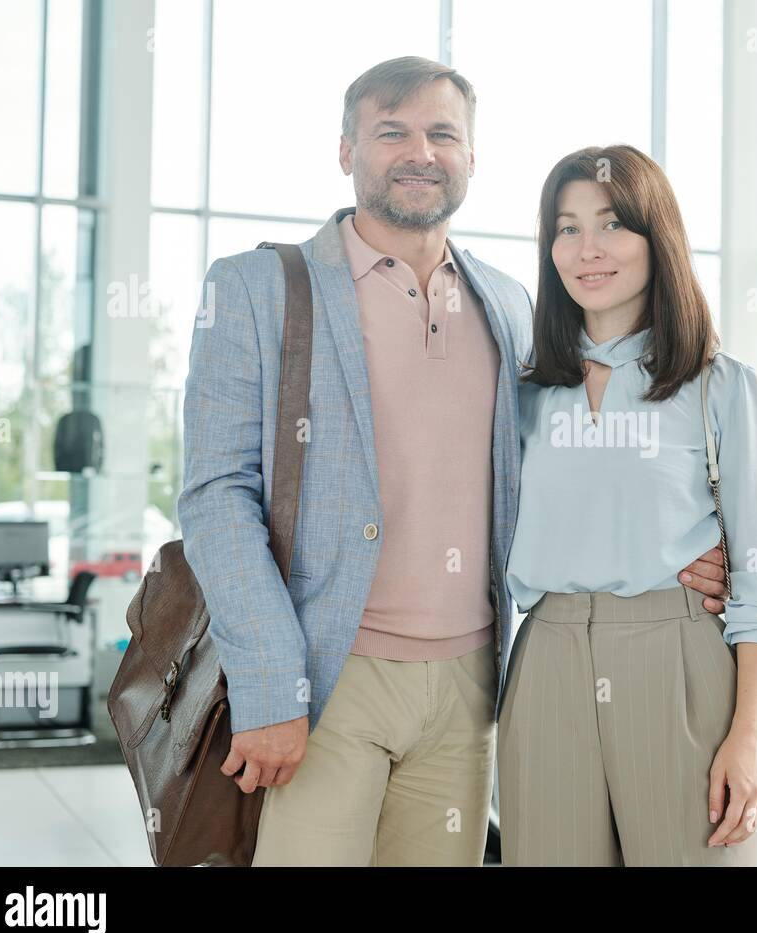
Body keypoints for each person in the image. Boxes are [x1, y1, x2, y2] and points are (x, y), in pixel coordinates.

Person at [176, 57, 728, 867]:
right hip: (328, 679)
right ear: (345, 151)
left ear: (471, 157)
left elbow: (568, 465)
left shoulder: (511, 305)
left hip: (473, 688)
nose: (420, 151)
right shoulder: (258, 288)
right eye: (391, 131)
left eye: (443, 133)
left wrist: (685, 554)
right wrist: (270, 684)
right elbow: (215, 496)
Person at [496, 144, 757, 866]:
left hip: (680, 661)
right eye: (567, 228)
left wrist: (746, 734)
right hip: (545, 660)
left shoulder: (720, 386)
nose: (587, 249)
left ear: (656, 237)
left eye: (611, 224)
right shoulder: (521, 395)